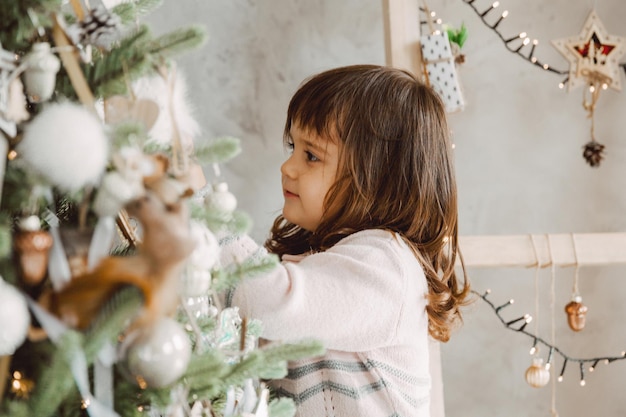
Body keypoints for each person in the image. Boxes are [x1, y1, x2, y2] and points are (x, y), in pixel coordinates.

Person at [219, 64, 470, 417]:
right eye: (293, 147)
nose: (287, 167)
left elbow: (266, 303)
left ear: (378, 179)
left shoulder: (386, 265)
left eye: (311, 155)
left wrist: (203, 212)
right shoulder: (325, 262)